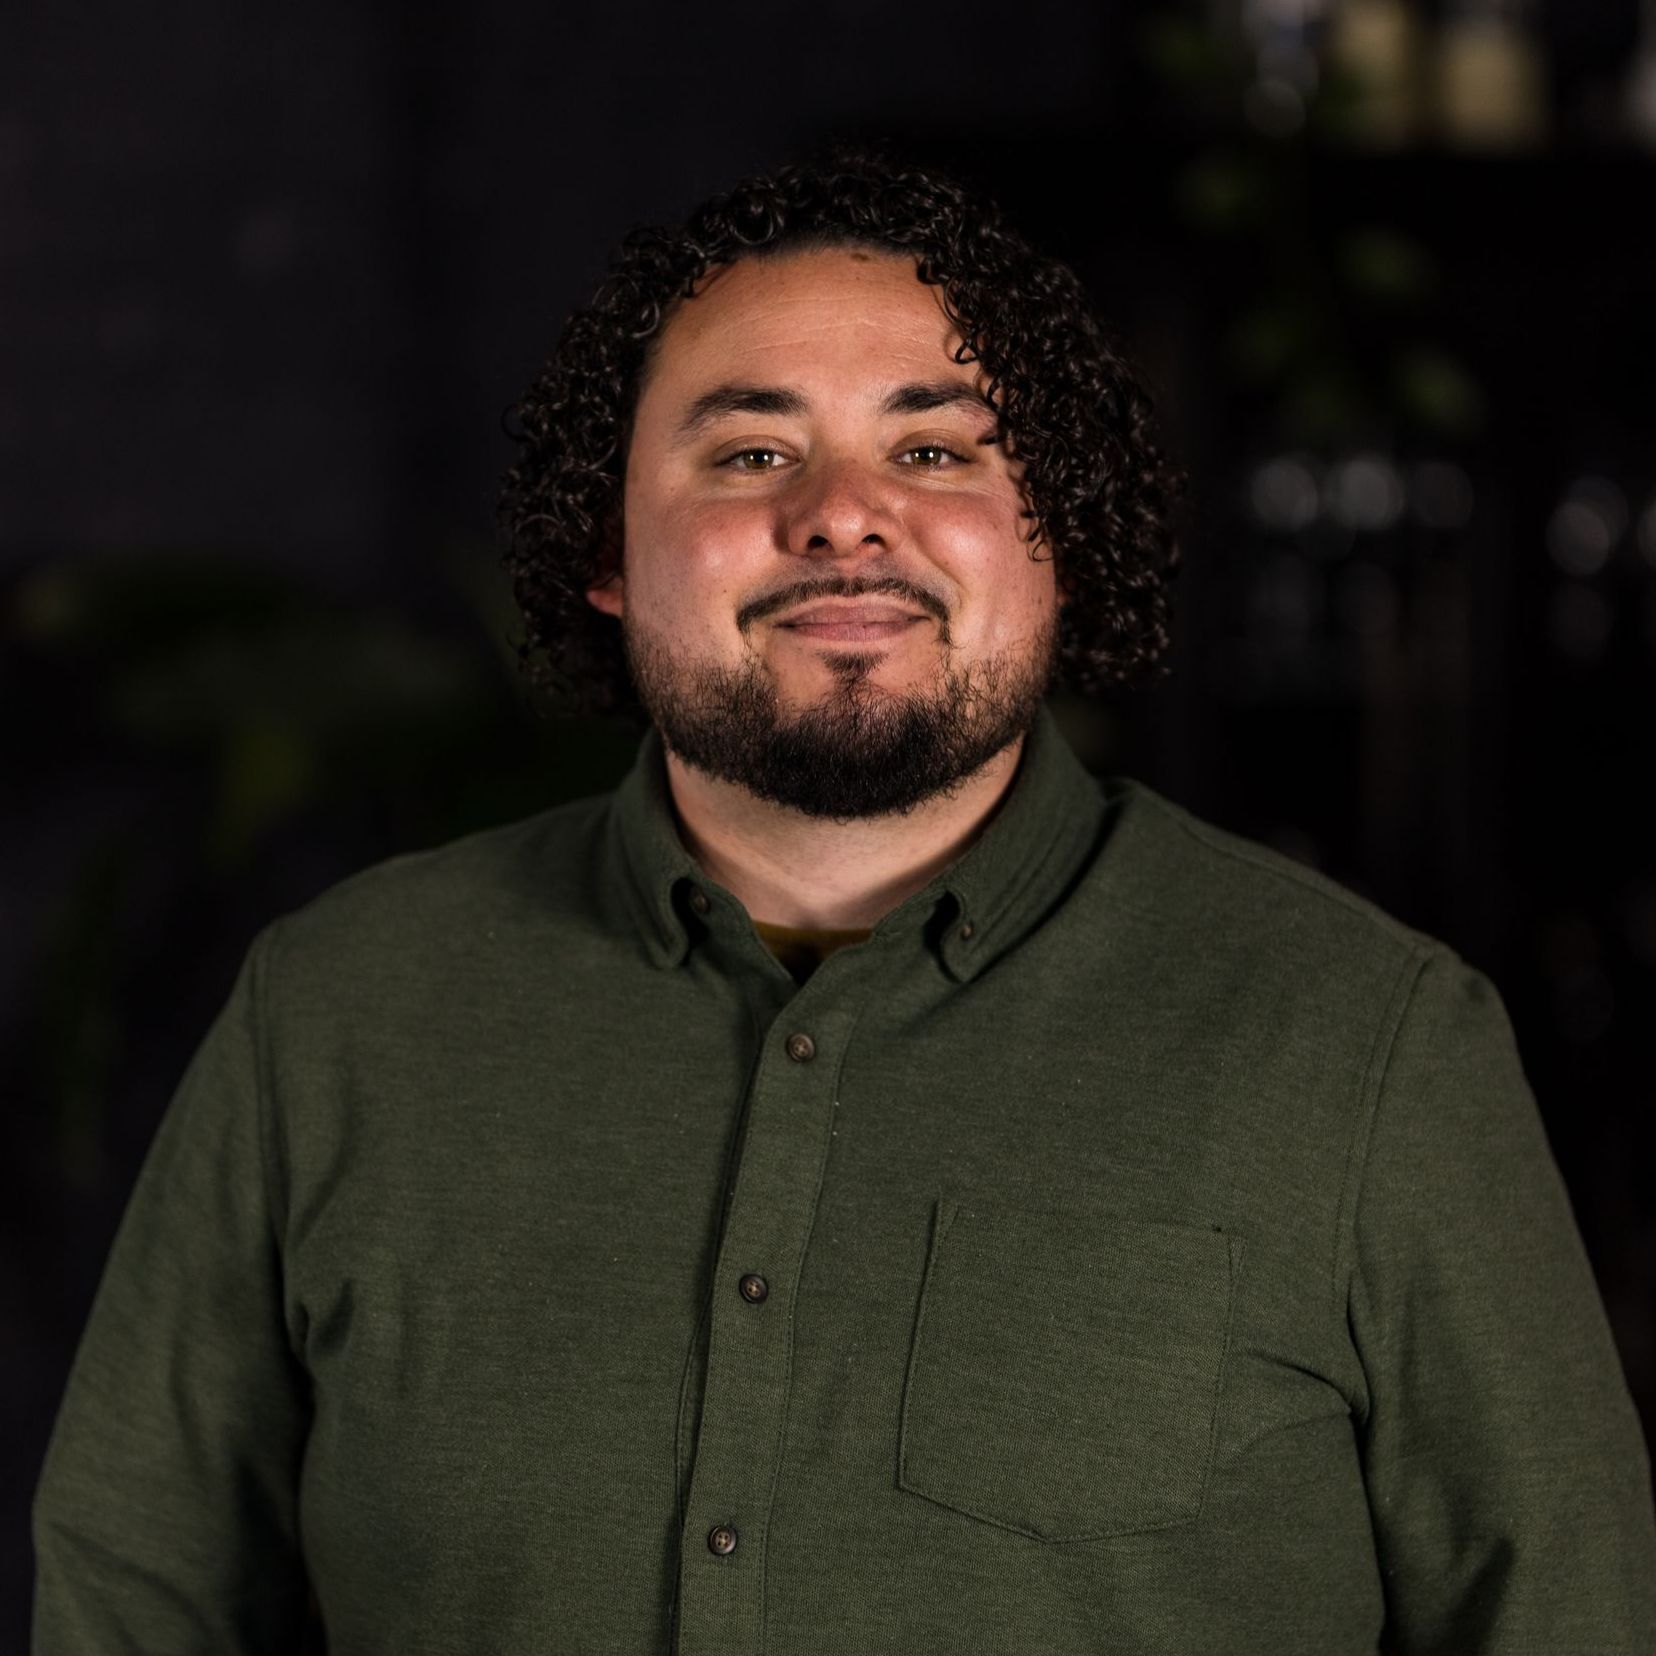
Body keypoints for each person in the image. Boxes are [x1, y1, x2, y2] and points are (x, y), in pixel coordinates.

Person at [32, 148, 1656, 1656]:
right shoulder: (333, 1017)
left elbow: (1562, 1613)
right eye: (751, 451)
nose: (843, 513)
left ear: (1059, 537)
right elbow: (132, 1594)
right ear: (606, 545)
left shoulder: (1370, 1046)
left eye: (937, 447)